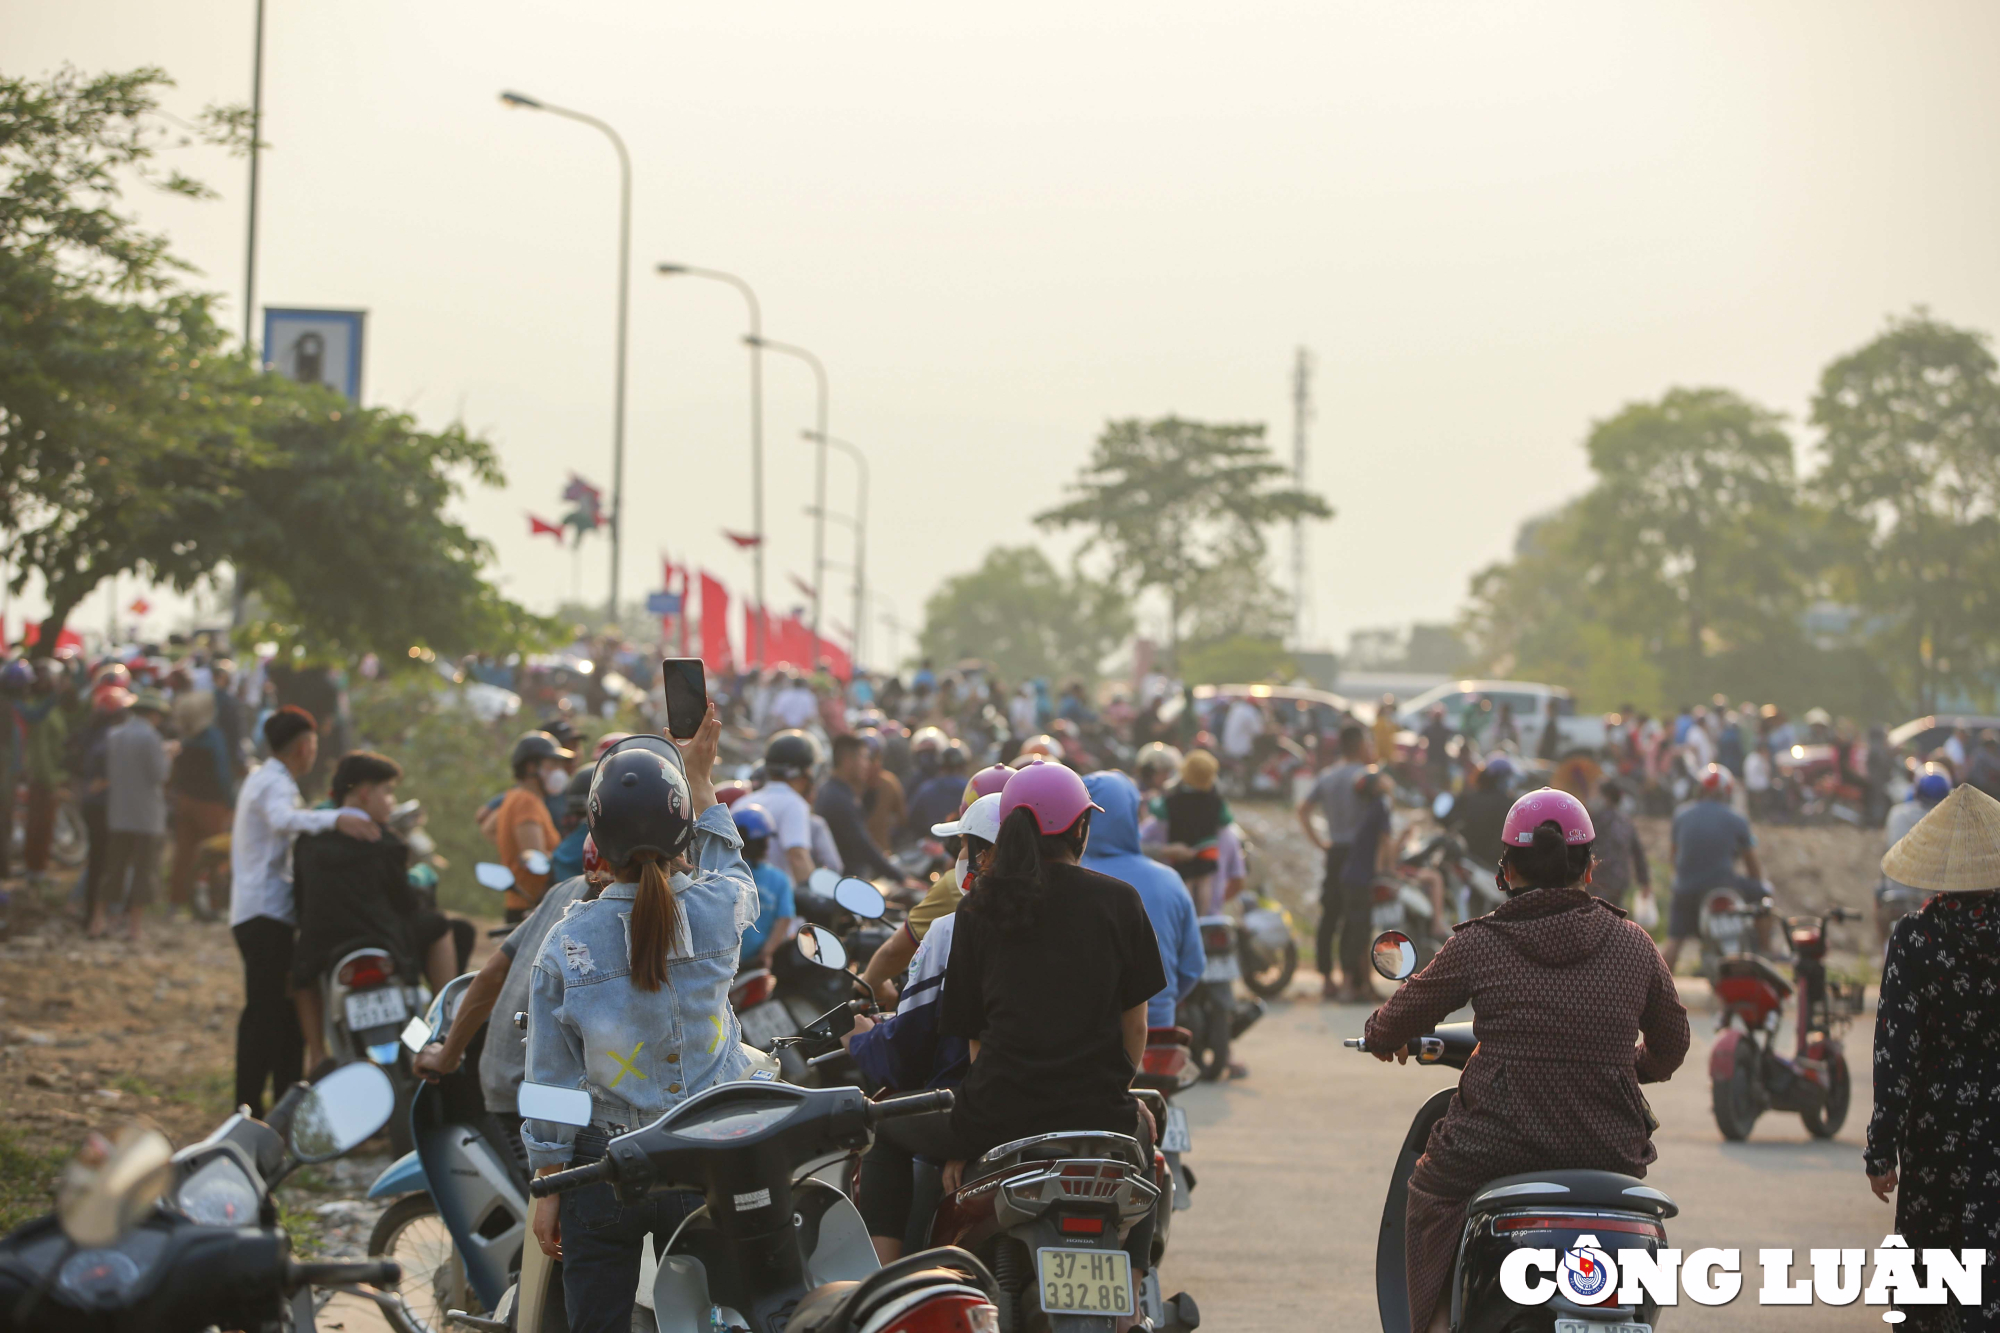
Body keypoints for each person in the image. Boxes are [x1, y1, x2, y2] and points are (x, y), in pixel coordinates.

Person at [1364, 788, 1690, 1333]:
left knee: (1430, 1190)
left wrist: (1382, 1035)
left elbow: (1392, 1023)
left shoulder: (1480, 943)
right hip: (1609, 1150)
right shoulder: (1634, 945)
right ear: (1588, 869)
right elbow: (1672, 1046)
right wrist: (1623, 1066)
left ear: (1505, 871)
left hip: (1492, 1149)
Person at [858, 760, 1165, 1267]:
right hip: (1098, 1112)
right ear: (1080, 828)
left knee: (884, 1132)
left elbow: (975, 1043)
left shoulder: (977, 908)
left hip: (996, 1115)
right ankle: (1131, 1294)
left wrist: (972, 1139)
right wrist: (1113, 1090)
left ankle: (888, 1281)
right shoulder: (1120, 902)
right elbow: (1135, 1028)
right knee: (1144, 1141)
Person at [522, 708, 757, 1333]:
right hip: (703, 1163)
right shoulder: (716, 911)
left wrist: (548, 1187)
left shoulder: (566, 942)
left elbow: (552, 1085)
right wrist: (703, 783)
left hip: (602, 1172)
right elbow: (734, 869)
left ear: (597, 834)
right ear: (680, 825)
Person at [1862, 785, 2000, 1332]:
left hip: (1935, 1121)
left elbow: (1895, 1049)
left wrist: (1881, 1149)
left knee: (1930, 1264)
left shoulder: (1916, 937)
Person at [229, 706, 381, 1117]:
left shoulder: (269, 779)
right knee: (263, 1012)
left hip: (265, 911)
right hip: (264, 912)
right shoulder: (274, 782)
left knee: (278, 1012)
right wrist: (337, 819)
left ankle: (280, 1102)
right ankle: (245, 1107)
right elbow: (282, 820)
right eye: (313, 744)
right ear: (304, 746)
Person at [291, 751, 457, 1071]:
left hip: (324, 948)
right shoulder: (383, 840)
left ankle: (315, 1054)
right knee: (440, 926)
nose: (391, 802)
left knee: (301, 974)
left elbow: (300, 902)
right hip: (384, 939)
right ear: (365, 793)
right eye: (388, 792)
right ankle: (444, 1025)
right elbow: (406, 903)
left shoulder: (309, 840)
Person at [857, 763, 1012, 1004]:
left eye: (964, 841)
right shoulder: (1053, 881)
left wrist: (868, 983)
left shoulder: (961, 886)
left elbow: (895, 952)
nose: (958, 850)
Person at [1081, 769, 1204, 1046]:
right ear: (1133, 816)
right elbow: (1192, 967)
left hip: (1087, 1042)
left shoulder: (1067, 879)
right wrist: (1161, 1003)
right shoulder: (1169, 880)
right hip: (1158, 1035)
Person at [1660, 764, 1763, 971]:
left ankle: (1654, 989)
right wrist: (1758, 884)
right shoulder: (1737, 819)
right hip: (1724, 885)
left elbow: (1673, 857)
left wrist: (1680, 880)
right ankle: (1766, 950)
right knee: (1765, 896)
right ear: (1727, 792)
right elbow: (1752, 864)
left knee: (1674, 941)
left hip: (1686, 888)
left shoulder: (1681, 815)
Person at [1298, 724, 1373, 999]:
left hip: (1334, 851)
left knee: (1330, 915)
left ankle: (1327, 978)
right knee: (1354, 918)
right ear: (1360, 745)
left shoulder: (1327, 776)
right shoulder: (1365, 777)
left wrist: (1320, 843)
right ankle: (1349, 980)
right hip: (1357, 854)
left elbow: (1303, 809)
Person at [97, 688, 172, 940]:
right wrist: (169, 755)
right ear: (153, 714)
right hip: (146, 816)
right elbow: (160, 775)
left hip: (119, 812)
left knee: (114, 867)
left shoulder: (115, 735)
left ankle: (99, 921)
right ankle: (134, 927)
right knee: (143, 870)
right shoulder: (151, 738)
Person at [166, 689, 236, 918]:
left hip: (185, 801)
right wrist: (230, 802)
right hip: (211, 805)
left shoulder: (186, 740)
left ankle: (177, 903)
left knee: (183, 853)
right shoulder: (214, 738)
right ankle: (215, 904)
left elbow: (176, 775)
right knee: (215, 855)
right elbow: (222, 773)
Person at [812, 734, 916, 887]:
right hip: (846, 885)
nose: (867, 765)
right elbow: (862, 845)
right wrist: (901, 878)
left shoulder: (836, 791)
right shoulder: (838, 798)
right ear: (848, 760)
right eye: (864, 758)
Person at [497, 730, 572, 923]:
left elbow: (489, 828)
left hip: (523, 904)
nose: (559, 770)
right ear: (532, 767)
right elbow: (536, 861)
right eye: (553, 764)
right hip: (530, 908)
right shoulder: (527, 802)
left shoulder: (515, 796)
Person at [1336, 768, 1396, 1002]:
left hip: (1352, 877)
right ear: (1377, 786)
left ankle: (1361, 986)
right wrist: (1384, 871)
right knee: (1359, 933)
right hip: (1361, 879)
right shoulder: (1382, 804)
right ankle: (1351, 987)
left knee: (1355, 931)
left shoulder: (1370, 807)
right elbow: (1383, 842)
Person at [1152, 749, 1234, 902]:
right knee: (1204, 881)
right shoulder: (1215, 801)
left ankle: (1188, 911)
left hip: (1180, 847)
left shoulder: (1173, 800)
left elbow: (1158, 811)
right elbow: (1226, 819)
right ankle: (1202, 917)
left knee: (1186, 880)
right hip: (1207, 846)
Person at [743, 730, 820, 887]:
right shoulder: (794, 804)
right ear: (802, 771)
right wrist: (815, 897)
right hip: (779, 905)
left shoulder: (743, 802)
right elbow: (798, 857)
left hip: (741, 901)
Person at [732, 804, 798, 969]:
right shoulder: (779, 879)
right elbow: (784, 919)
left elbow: (785, 918)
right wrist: (766, 953)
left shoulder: (724, 871)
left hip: (731, 960)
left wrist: (765, 954)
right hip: (753, 962)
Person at [1585, 778, 1650, 912]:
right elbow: (1638, 853)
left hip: (1598, 881)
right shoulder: (1625, 821)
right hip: (1620, 882)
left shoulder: (1594, 820)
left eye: (1595, 794)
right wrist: (1644, 881)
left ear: (1606, 797)